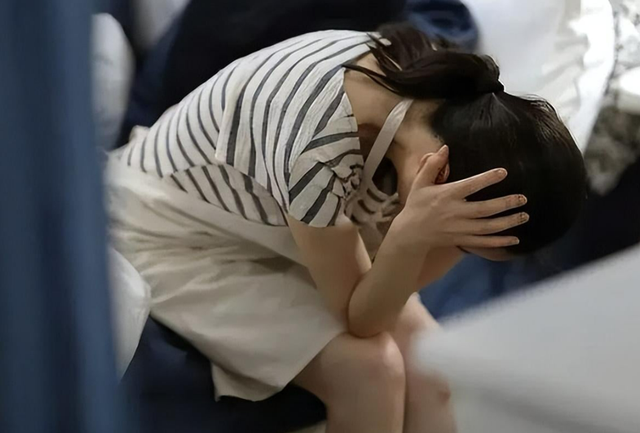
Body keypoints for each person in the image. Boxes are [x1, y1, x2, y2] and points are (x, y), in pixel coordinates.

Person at [106, 24, 586, 433]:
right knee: (370, 372)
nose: (455, 252)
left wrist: (427, 238)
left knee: (433, 369)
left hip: (274, 222)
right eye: (463, 243)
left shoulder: (445, 96)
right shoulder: (317, 142)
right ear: (439, 175)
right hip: (172, 231)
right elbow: (364, 319)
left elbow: (390, 287)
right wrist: (411, 236)